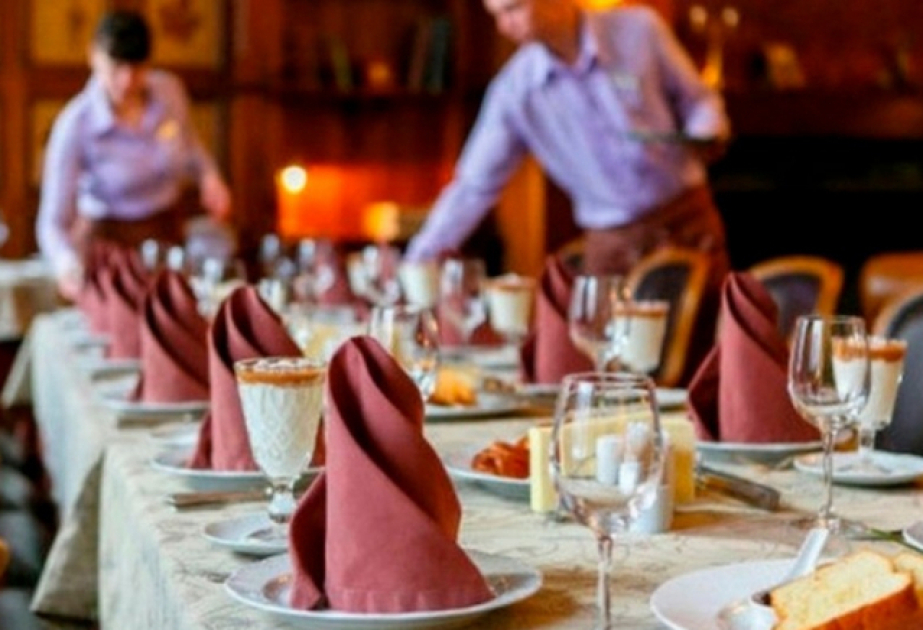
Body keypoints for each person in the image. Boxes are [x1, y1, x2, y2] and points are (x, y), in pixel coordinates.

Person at [403, 0, 731, 282]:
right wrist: (417, 262)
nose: (504, 26)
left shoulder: (639, 28)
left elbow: (700, 100)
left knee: (711, 335)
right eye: (496, 15)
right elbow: (473, 188)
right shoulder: (514, 91)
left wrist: (705, 130)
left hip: (689, 222)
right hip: (612, 247)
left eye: (513, 8)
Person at [35, 9, 231, 300]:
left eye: (137, 69)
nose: (127, 81)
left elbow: (190, 147)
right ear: (94, 56)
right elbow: (51, 222)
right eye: (116, 68)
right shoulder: (75, 123)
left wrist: (209, 176)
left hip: (167, 234)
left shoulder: (170, 91)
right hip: (107, 244)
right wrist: (67, 265)